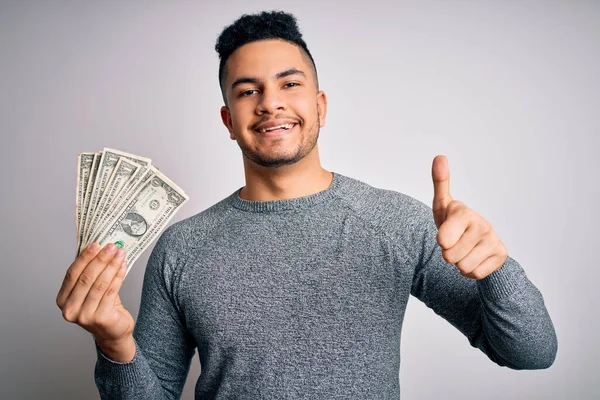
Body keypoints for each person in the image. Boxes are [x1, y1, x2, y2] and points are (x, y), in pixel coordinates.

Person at [56, 10, 558, 400]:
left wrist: (498, 270)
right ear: (229, 120)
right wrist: (115, 344)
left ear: (319, 106)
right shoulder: (182, 248)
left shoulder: (397, 222)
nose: (271, 103)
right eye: (249, 91)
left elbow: (532, 354)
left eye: (289, 84)